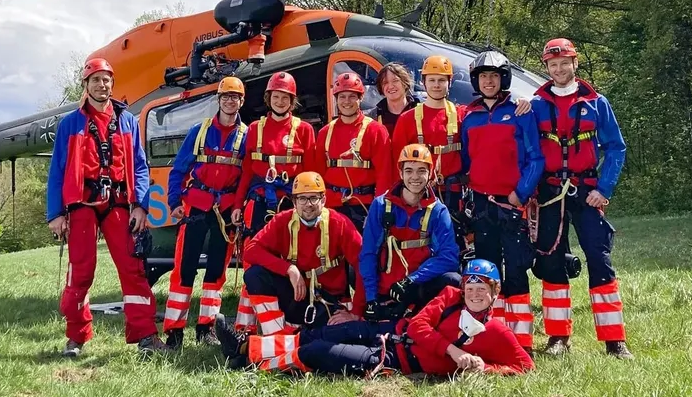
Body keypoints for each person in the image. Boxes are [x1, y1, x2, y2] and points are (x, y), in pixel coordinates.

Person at [214, 259, 534, 378]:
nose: (475, 293)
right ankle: (246, 350)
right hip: (386, 331)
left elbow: (524, 368)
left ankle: (255, 361)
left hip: (393, 358)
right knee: (319, 333)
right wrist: (454, 352)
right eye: (471, 285)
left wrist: (483, 367)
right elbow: (419, 325)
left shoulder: (496, 332)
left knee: (315, 351)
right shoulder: (450, 297)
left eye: (483, 288)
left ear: (495, 292)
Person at [45, 54, 166, 357]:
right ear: (86, 85)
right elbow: (57, 170)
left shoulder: (126, 120)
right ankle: (76, 336)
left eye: (106, 79)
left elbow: (140, 165)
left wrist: (140, 205)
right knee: (81, 271)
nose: (102, 84)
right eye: (96, 80)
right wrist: (55, 213)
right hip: (82, 204)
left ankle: (146, 336)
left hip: (119, 203)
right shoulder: (70, 124)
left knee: (133, 268)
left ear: (112, 84)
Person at [528, 38, 633, 359]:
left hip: (586, 191)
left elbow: (616, 148)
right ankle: (558, 338)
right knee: (551, 262)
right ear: (546, 67)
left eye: (565, 63)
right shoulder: (534, 104)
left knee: (599, 259)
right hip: (548, 193)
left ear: (575, 64)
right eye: (553, 65)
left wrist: (604, 189)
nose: (559, 69)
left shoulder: (597, 103)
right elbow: (525, 149)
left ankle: (614, 341)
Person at [459, 49, 543, 354]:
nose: (489, 81)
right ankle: (493, 336)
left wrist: (520, 193)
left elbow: (536, 157)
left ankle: (522, 341)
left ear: (504, 78)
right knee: (487, 270)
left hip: (512, 205)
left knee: (517, 269)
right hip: (482, 205)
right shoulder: (469, 117)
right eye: (484, 76)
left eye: (494, 76)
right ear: (476, 80)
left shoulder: (522, 111)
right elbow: (467, 159)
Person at [161, 76, 249, 349]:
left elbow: (247, 176)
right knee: (184, 269)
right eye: (226, 97)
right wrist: (174, 201)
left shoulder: (246, 136)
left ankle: (206, 329)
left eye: (235, 97)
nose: (230, 101)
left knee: (215, 272)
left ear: (241, 101)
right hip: (196, 207)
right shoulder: (199, 132)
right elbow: (179, 169)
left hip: (225, 213)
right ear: (218, 100)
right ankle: (175, 332)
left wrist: (237, 207)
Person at [231, 70, 317, 333]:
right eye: (276, 96)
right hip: (258, 205)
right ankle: (245, 327)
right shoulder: (255, 128)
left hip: (291, 205)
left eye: (286, 97)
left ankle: (289, 321)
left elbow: (312, 172)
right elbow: (246, 171)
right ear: (269, 98)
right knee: (253, 259)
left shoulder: (304, 130)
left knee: (291, 258)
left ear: (293, 101)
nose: (281, 101)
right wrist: (237, 205)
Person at [239, 171, 363, 338]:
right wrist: (289, 268)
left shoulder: (339, 224)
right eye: (302, 199)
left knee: (328, 338)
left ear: (324, 200)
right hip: (297, 295)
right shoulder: (283, 220)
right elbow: (251, 251)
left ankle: (281, 343)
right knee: (255, 275)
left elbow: (365, 266)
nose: (308, 204)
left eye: (314, 198)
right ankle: (275, 337)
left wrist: (355, 312)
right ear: (294, 202)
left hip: (328, 303)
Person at [358, 143, 461, 322]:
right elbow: (369, 253)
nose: (415, 177)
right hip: (388, 290)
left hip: (418, 287)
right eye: (409, 170)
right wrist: (371, 299)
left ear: (430, 173)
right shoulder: (381, 206)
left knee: (453, 279)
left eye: (421, 170)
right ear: (400, 173)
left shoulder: (437, 211)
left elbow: (449, 257)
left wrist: (411, 280)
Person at [390, 56, 467, 229]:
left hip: (452, 193)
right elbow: (396, 161)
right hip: (417, 192)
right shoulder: (407, 119)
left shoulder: (461, 114)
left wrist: (520, 103)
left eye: (441, 80)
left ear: (449, 82)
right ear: (424, 82)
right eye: (431, 80)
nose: (436, 85)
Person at [310, 71, 392, 233]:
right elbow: (317, 173)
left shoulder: (375, 130)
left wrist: (378, 210)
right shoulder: (326, 132)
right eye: (342, 97)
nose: (346, 101)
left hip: (364, 207)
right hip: (331, 206)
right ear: (336, 99)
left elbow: (385, 174)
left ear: (361, 98)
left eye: (352, 96)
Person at [372, 62, 418, 135]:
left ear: (405, 83)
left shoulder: (420, 111)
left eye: (395, 81)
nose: (390, 86)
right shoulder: (373, 116)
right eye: (385, 82)